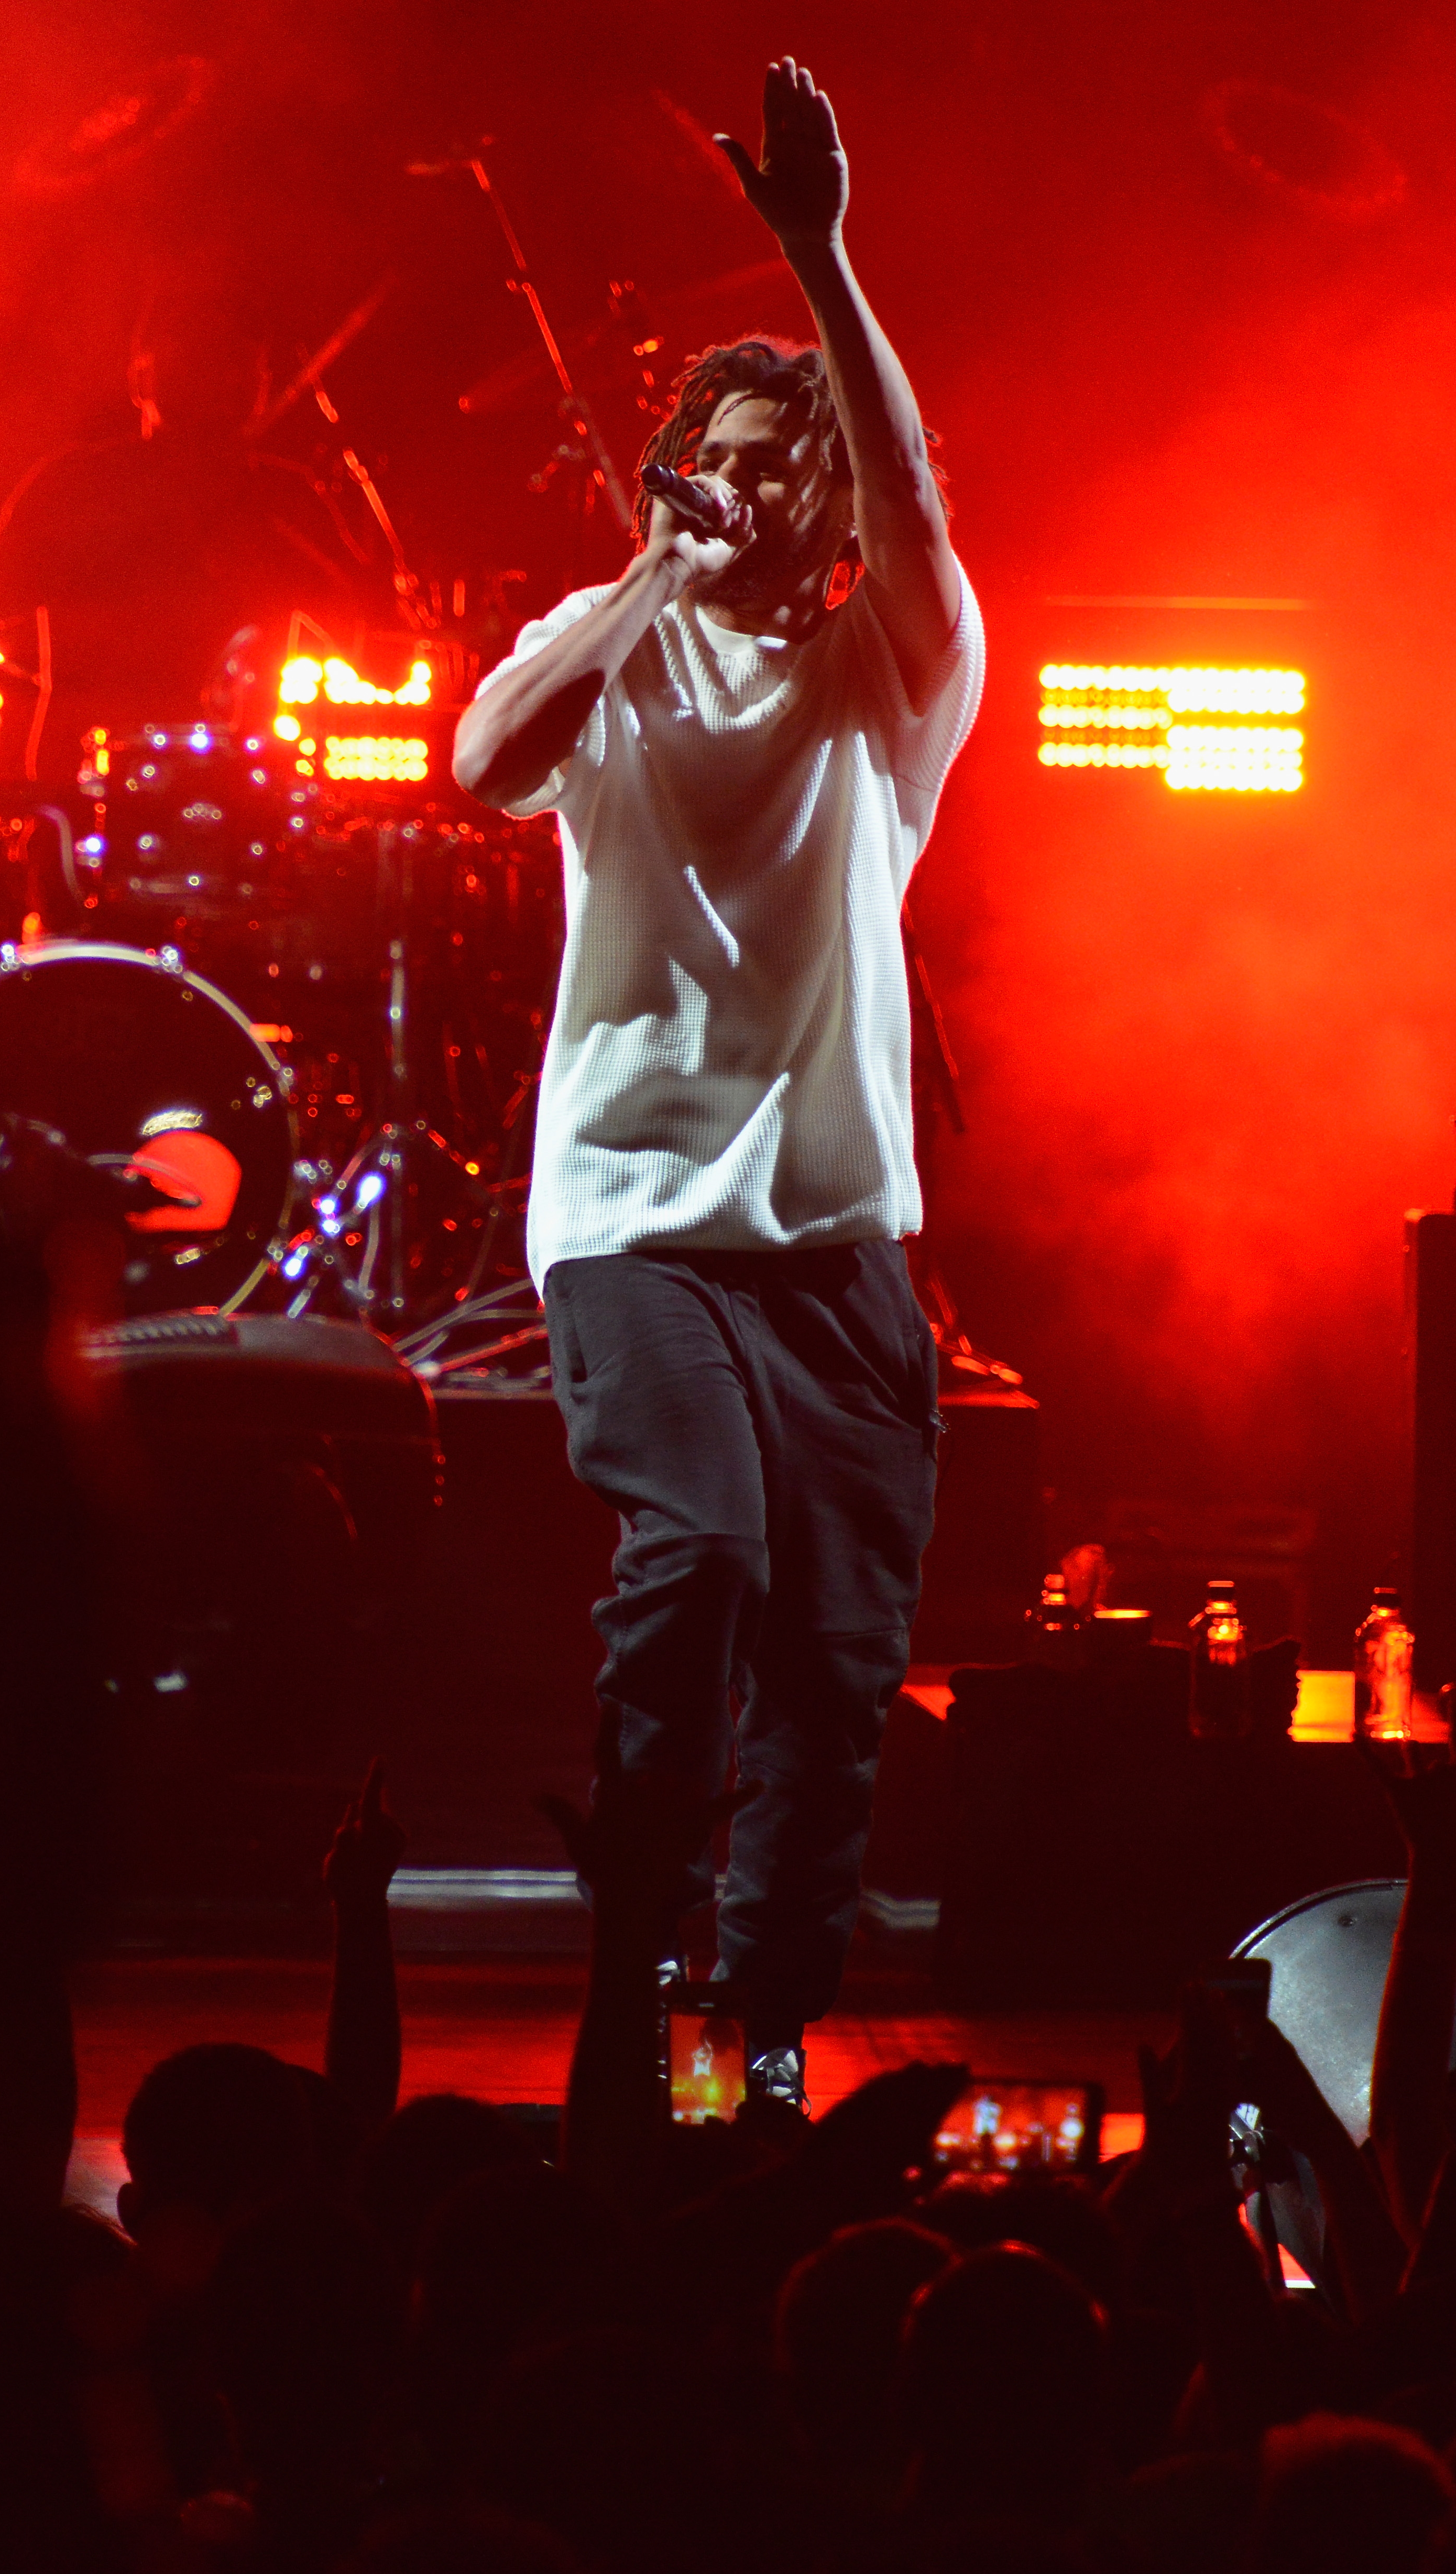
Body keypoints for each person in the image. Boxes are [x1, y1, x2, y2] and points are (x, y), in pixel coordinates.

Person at [451, 59, 979, 2108]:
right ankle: (624, 1953)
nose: (755, 492)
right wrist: (645, 582)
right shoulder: (611, 649)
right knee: (707, 1552)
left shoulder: (893, 672)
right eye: (719, 463)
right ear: (672, 482)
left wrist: (819, 258)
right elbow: (488, 763)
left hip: (839, 1243)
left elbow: (917, 491)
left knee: (842, 1655)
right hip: (635, 1222)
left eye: (789, 463)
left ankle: (756, 2037)